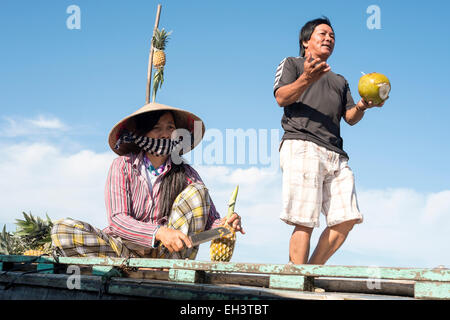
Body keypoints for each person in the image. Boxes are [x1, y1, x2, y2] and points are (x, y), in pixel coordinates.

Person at [51, 102, 244, 259]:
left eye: (170, 128)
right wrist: (158, 232)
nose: (165, 134)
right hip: (123, 252)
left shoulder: (186, 173)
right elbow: (118, 220)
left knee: (198, 192)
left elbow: (210, 221)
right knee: (62, 230)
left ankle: (165, 268)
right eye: (156, 128)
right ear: (142, 134)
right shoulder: (123, 166)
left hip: (168, 255)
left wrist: (226, 224)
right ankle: (134, 267)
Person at [273, 17, 386, 265]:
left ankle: (309, 273)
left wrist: (362, 105)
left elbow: (349, 118)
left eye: (332, 36)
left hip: (335, 153)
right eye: (322, 34)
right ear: (305, 41)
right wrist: (306, 79)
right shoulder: (292, 63)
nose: (328, 38)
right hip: (302, 144)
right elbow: (281, 97)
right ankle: (297, 279)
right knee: (305, 219)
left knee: (347, 218)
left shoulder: (340, 81)